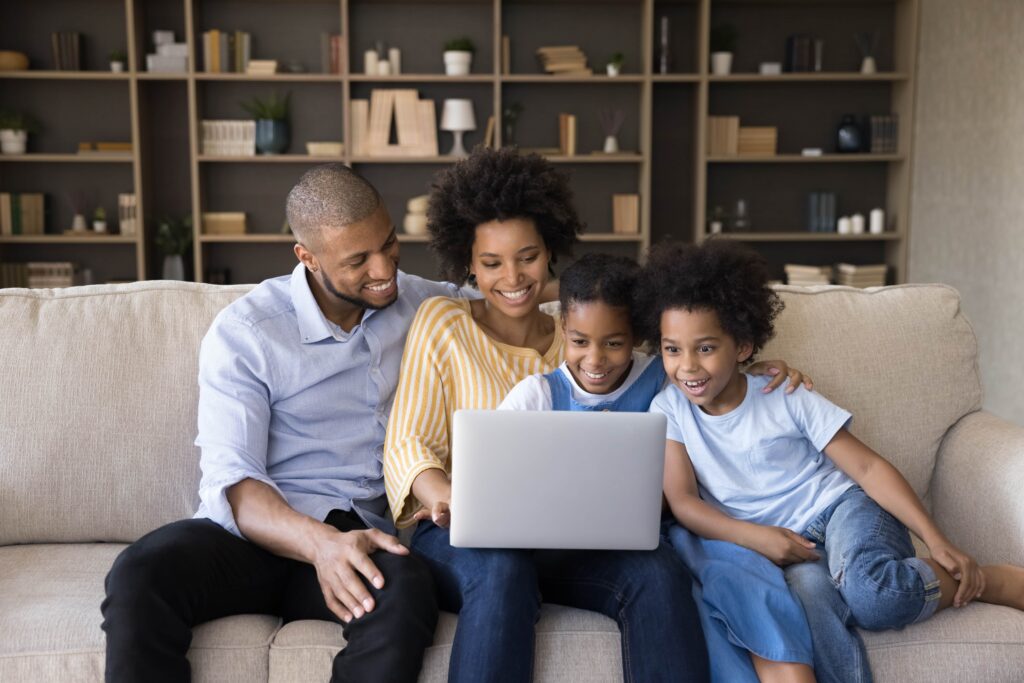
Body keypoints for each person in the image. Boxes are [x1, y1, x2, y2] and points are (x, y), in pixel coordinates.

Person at [384, 147, 793, 683]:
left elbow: (688, 365)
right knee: (504, 570)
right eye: (491, 263)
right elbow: (408, 442)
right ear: (467, 263)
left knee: (657, 573)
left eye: (527, 257)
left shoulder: (583, 337)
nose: (513, 277)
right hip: (466, 532)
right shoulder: (443, 321)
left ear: (550, 251)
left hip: (574, 541)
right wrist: (445, 497)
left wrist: (753, 365)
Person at [101, 164, 473, 682]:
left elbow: (508, 308)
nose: (384, 267)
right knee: (141, 572)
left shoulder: (426, 304)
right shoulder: (248, 332)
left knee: (407, 588)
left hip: (357, 533)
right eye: (357, 260)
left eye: (388, 244)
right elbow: (237, 482)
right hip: (257, 533)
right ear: (307, 257)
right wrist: (319, 544)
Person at [639, 239, 1024, 683]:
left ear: (743, 346)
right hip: (792, 550)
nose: (688, 366)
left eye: (705, 348)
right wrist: (757, 538)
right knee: (812, 618)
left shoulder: (781, 392)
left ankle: (992, 581)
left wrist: (935, 539)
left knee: (873, 597)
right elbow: (685, 504)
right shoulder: (669, 411)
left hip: (845, 511)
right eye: (672, 350)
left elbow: (866, 468)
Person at [500, 253, 815, 683]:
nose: (595, 360)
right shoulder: (535, 396)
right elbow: (495, 482)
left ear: (638, 336)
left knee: (721, 573)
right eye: (579, 341)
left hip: (652, 538)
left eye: (614, 342)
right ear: (562, 331)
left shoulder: (664, 381)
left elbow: (711, 385)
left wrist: (752, 373)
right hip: (559, 558)